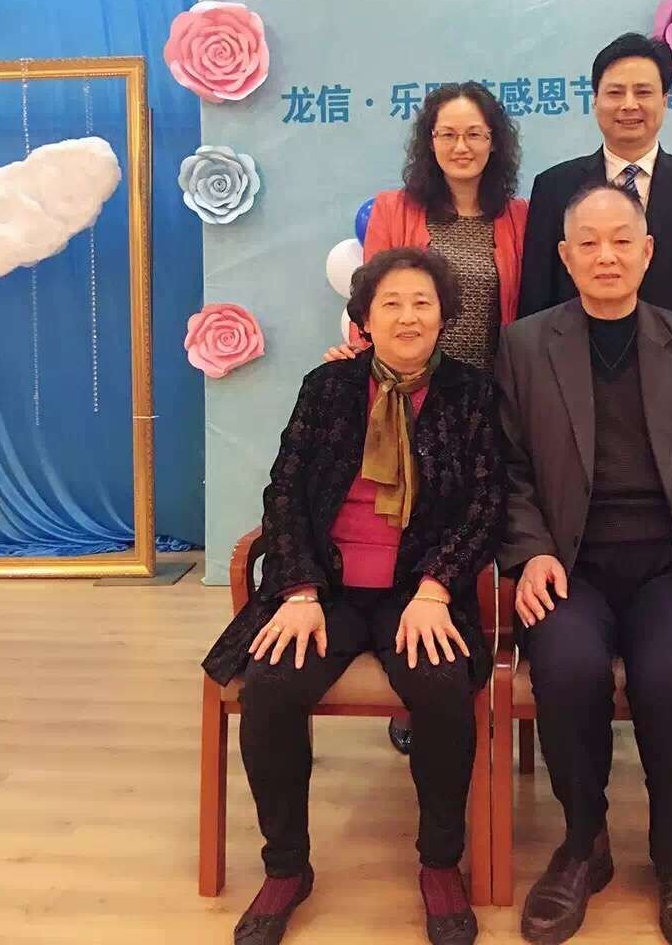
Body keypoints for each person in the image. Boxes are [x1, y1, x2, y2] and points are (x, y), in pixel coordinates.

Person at [203, 247, 506, 945]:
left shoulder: (472, 393)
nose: (408, 316)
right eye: (391, 303)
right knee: (271, 686)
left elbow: (487, 503)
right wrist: (298, 588)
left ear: (444, 316)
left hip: (419, 589)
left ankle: (439, 863)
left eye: (422, 303)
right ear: (364, 317)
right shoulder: (328, 387)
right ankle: (286, 867)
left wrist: (437, 587)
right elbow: (284, 491)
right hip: (327, 590)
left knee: (441, 688)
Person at [495, 184, 672, 945]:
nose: (606, 256)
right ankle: (583, 842)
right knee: (567, 667)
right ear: (565, 256)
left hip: (670, 566)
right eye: (588, 242)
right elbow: (508, 472)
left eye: (622, 241)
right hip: (571, 564)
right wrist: (532, 552)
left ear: (647, 253)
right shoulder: (525, 347)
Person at [324, 79, 527, 753]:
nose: (460, 146)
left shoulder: (520, 218)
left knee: (481, 528)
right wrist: (355, 360)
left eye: (474, 133)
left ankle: (476, 665)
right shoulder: (396, 208)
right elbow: (375, 298)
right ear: (429, 142)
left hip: (489, 401)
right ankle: (418, 682)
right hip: (411, 397)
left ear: (494, 142)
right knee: (414, 530)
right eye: (447, 134)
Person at [517, 33, 672, 386]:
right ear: (595, 100)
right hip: (573, 381)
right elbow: (536, 301)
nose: (628, 105)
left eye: (643, 92)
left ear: (664, 101)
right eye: (615, 92)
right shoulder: (554, 187)